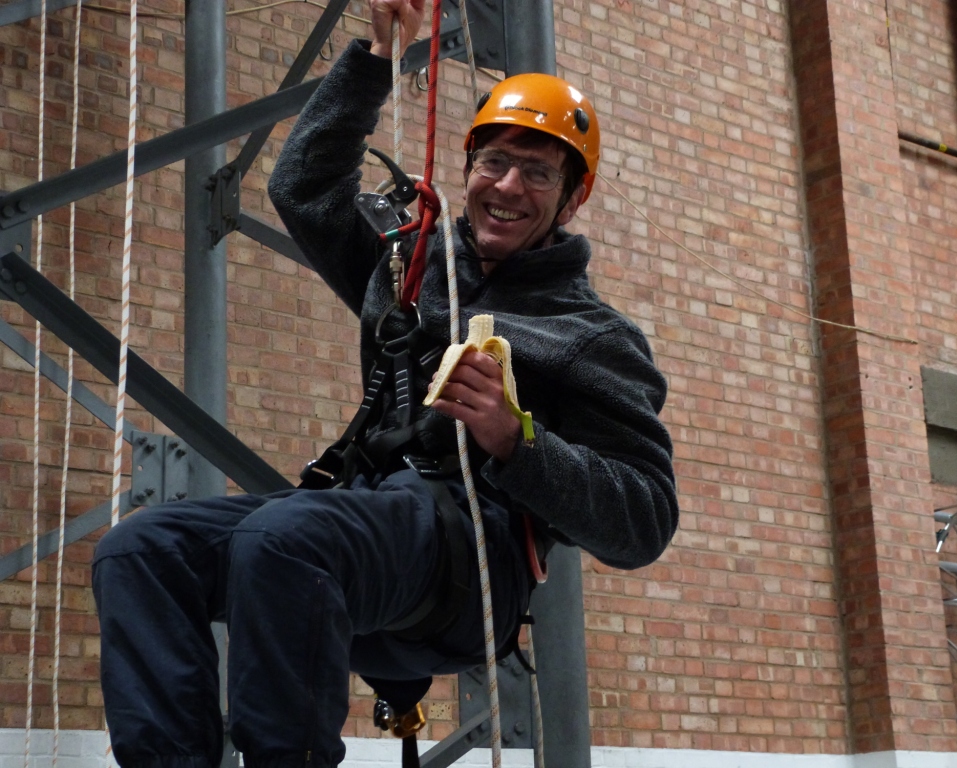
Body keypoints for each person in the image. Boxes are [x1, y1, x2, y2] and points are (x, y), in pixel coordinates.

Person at [90, 0, 678, 765]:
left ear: (574, 198)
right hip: (363, 533)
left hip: (470, 568)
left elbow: (644, 520)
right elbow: (304, 188)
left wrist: (516, 439)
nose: (507, 186)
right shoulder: (408, 266)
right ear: (467, 169)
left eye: (537, 173)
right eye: (493, 162)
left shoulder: (590, 336)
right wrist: (375, 57)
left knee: (283, 537)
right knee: (139, 551)